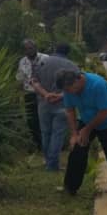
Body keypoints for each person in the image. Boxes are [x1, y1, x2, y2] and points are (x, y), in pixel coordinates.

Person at [57, 68, 107, 204]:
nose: (69, 92)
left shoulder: (98, 84)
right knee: (77, 151)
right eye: (66, 90)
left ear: (78, 79)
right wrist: (74, 134)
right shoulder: (68, 89)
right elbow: (69, 110)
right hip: (85, 120)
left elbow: (104, 112)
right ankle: (70, 187)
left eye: (70, 89)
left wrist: (87, 130)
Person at [29, 43, 78, 171]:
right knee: (57, 134)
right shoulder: (71, 66)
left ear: (55, 50)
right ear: (68, 52)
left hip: (43, 104)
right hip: (62, 104)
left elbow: (34, 82)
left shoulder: (41, 63)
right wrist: (60, 96)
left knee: (45, 133)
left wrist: (46, 95)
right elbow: (76, 86)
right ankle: (52, 165)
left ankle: (48, 161)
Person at [16, 39, 46, 153]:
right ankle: (39, 145)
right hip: (29, 94)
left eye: (31, 48)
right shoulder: (22, 62)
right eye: (26, 49)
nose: (29, 51)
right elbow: (20, 79)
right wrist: (17, 95)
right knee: (32, 121)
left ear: (36, 48)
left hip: (43, 93)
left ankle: (46, 144)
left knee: (43, 118)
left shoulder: (45, 58)